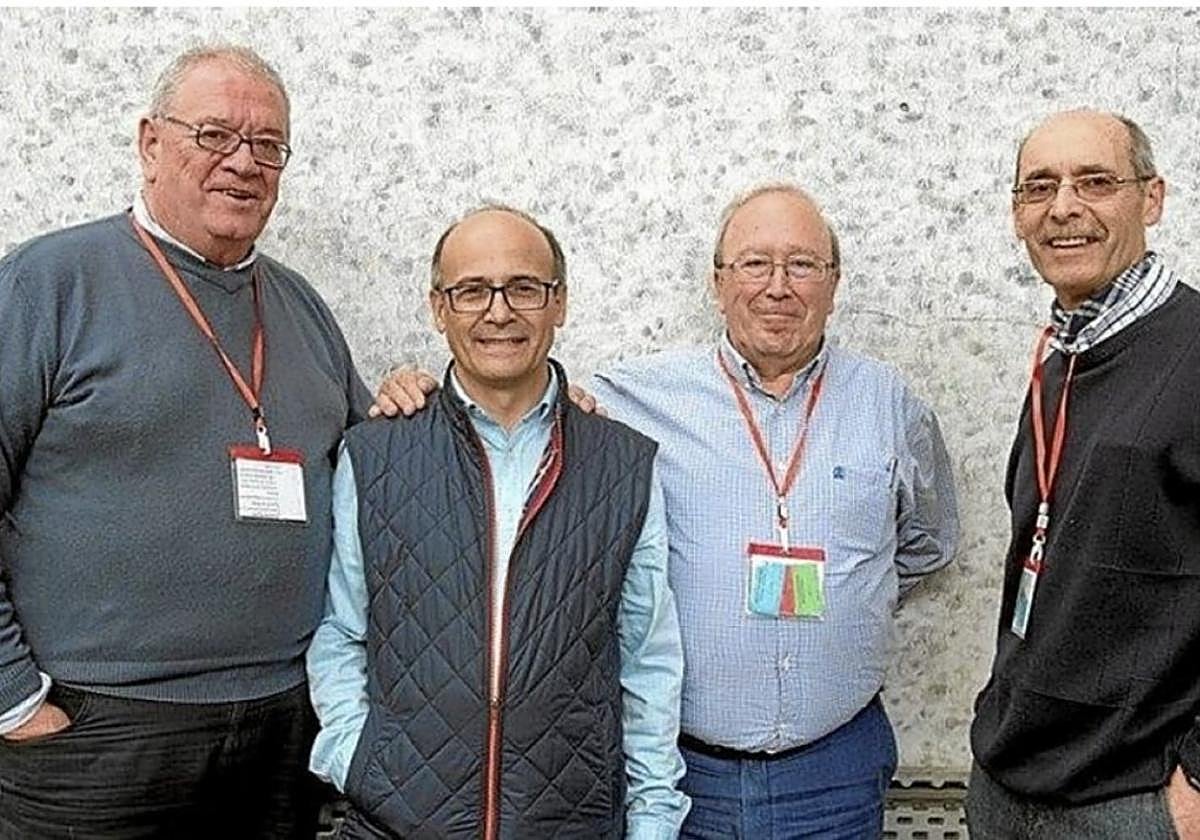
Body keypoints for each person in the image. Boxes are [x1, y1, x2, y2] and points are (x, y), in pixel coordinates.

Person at [374, 184, 959, 838]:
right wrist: (420, 391)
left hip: (837, 769)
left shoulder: (892, 405)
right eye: (754, 264)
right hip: (683, 774)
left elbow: (926, 545)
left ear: (833, 281)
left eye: (802, 265)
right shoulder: (634, 398)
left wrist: (857, 595)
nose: (777, 286)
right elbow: (516, 397)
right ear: (718, 283)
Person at [0, 45, 370, 838]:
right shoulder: (47, 284)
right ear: (149, 143)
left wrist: (527, 407)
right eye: (214, 134)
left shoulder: (301, 308)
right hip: (95, 734)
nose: (244, 162)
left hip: (281, 730)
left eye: (268, 144)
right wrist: (11, 698)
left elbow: (380, 482)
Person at [307, 205, 688, 839]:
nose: (499, 311)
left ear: (559, 302)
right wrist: (357, 758)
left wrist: (652, 820)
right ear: (438, 308)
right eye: (472, 290)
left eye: (524, 288)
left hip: (569, 825)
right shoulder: (374, 454)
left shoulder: (622, 463)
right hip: (397, 824)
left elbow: (647, 661)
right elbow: (339, 630)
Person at [968, 110, 1200, 840]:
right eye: (1040, 187)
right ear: (1016, 214)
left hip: (1132, 802)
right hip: (1008, 784)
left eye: (1095, 182)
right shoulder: (1063, 354)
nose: (1063, 207)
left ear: (1152, 199)